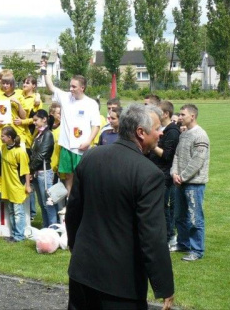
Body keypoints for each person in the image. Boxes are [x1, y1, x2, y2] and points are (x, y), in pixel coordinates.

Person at [66, 104, 174, 310]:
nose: (161, 133)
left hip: (82, 272)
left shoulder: (91, 157)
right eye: (157, 128)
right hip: (121, 283)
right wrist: (165, 286)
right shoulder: (149, 174)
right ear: (141, 133)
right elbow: (152, 236)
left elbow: (73, 212)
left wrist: (75, 247)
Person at [42, 61, 100, 199]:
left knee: (83, 178)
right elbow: (50, 87)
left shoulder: (90, 103)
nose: (71, 89)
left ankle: (83, 203)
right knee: (68, 176)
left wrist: (88, 141)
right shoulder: (66, 97)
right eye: (70, 86)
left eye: (74, 86)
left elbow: (96, 125)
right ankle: (70, 201)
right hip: (66, 146)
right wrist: (44, 69)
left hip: (81, 148)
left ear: (82, 88)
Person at [170, 104, 210, 261]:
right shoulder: (184, 134)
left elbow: (197, 161)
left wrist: (182, 176)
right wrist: (174, 173)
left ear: (192, 116)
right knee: (179, 216)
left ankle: (197, 250)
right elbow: (177, 155)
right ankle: (183, 243)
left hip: (194, 183)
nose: (179, 117)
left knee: (195, 218)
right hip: (180, 181)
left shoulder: (200, 135)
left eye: (182, 114)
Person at [148, 101, 181, 247]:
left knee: (163, 206)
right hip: (155, 171)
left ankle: (169, 236)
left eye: (158, 111)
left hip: (164, 174)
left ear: (166, 114)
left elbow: (168, 156)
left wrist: (152, 145)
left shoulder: (172, 131)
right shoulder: (161, 128)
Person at [0, 126, 31, 242]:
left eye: (3, 136)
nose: (0, 138)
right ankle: (13, 234)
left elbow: (26, 171)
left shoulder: (20, 152)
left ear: (10, 137)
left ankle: (19, 236)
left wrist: (27, 186)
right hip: (7, 186)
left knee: (18, 212)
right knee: (11, 211)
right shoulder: (3, 148)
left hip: (17, 186)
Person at [29, 109, 57, 228]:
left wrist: (29, 170)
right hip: (37, 172)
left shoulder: (47, 134)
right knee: (42, 203)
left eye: (36, 120)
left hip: (44, 173)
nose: (34, 123)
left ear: (44, 119)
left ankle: (53, 229)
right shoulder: (39, 134)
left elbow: (41, 155)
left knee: (48, 203)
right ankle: (46, 228)